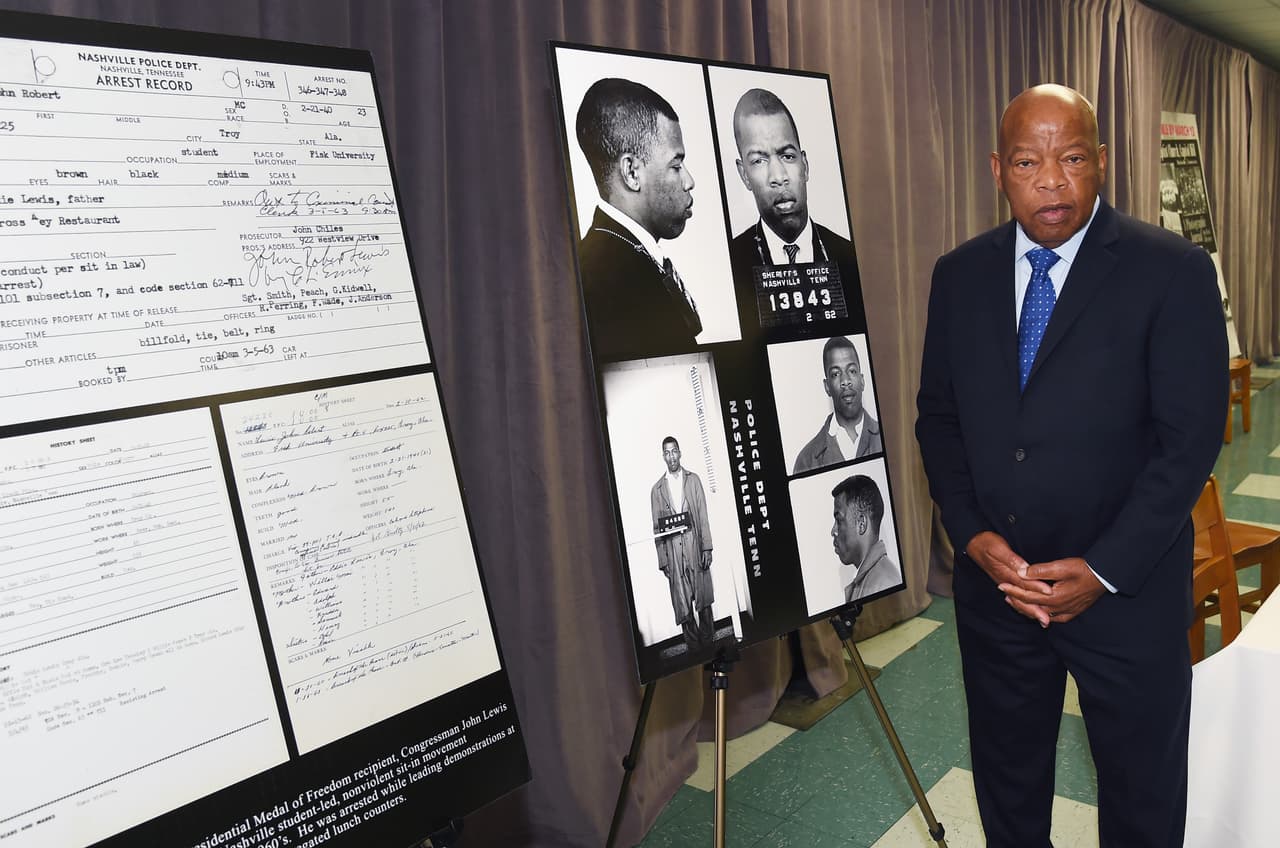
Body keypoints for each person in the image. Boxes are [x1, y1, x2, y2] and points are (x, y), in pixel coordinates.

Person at [915, 84, 1226, 847]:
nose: (1052, 181)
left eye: (1073, 158)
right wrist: (971, 534)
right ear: (998, 170)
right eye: (1028, 162)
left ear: (1103, 162)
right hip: (1001, 594)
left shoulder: (1171, 270)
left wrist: (1104, 569)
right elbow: (939, 419)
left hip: (1126, 594)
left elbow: (1188, 442)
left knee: (1142, 803)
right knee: (1010, 798)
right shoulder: (959, 276)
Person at [575, 78, 702, 359]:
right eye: (676, 165)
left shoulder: (611, 260)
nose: (689, 181)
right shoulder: (609, 283)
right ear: (632, 173)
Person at [726, 88, 862, 323]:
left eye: (787, 156)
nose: (778, 177)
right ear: (744, 175)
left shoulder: (847, 255)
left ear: (805, 165)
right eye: (759, 160)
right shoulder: (730, 265)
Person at [649, 437, 715, 646]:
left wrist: (706, 547)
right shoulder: (657, 490)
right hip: (673, 551)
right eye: (667, 453)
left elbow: (703, 515)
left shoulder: (693, 480)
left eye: (674, 451)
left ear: (680, 453)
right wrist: (663, 561)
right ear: (663, 456)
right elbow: (657, 528)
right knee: (682, 600)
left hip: (694, 544)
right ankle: (694, 648)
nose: (671, 456)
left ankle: (709, 642)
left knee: (703, 597)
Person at [793, 336, 882, 473]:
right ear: (827, 386)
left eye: (852, 371)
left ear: (862, 380)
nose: (845, 381)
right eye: (835, 374)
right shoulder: (807, 460)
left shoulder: (887, 437)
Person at [830, 474, 900, 603]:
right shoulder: (872, 580)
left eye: (839, 520)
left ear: (861, 524)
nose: (833, 531)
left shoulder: (883, 584)